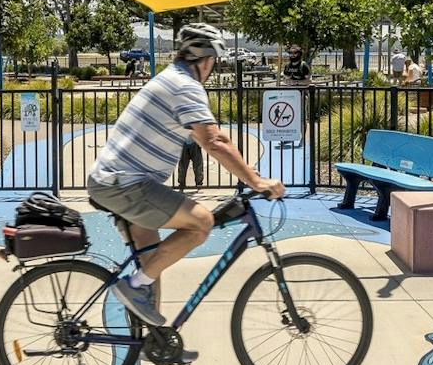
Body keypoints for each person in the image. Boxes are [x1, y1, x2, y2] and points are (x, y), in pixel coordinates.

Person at [87, 22, 286, 326]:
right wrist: (257, 182)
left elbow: (210, 138)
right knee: (201, 223)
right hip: (126, 185)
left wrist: (248, 172)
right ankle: (134, 287)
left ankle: (151, 336)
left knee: (150, 259)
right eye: (215, 60)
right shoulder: (185, 86)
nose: (214, 66)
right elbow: (214, 142)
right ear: (206, 59)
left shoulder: (172, 79)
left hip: (114, 181)